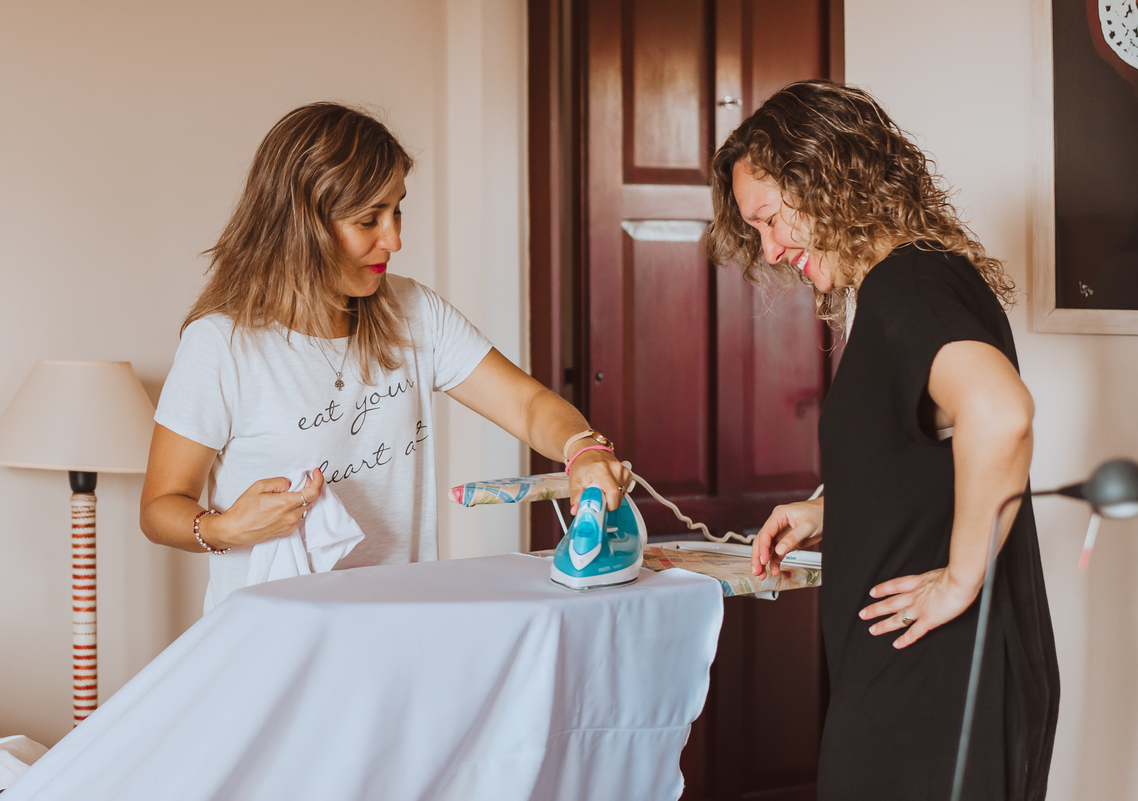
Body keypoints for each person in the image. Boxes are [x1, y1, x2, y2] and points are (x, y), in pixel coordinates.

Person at [706, 80, 1059, 800]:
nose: (769, 250)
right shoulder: (918, 280)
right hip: (918, 683)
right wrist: (829, 511)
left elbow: (1001, 412)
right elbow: (929, 462)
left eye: (770, 218)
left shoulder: (910, 288)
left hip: (935, 692)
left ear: (826, 176)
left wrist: (962, 576)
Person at [140, 102, 629, 613]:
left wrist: (581, 448)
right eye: (368, 219)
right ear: (301, 224)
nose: (394, 239)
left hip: (399, 624)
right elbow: (158, 508)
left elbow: (528, 406)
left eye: (397, 211)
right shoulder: (222, 344)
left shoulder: (415, 312)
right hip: (269, 639)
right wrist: (222, 529)